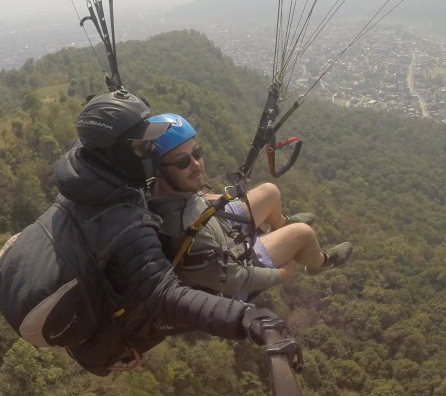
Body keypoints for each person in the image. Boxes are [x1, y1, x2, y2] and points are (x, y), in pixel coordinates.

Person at [52, 89, 293, 374]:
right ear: (119, 153)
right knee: (298, 237)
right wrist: (245, 318)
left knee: (271, 202)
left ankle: (282, 228)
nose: (150, 154)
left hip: (204, 240)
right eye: (143, 148)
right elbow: (166, 296)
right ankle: (304, 249)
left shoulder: (94, 176)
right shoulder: (128, 222)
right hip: (204, 284)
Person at [146, 113, 353, 300]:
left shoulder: (158, 188)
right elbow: (231, 278)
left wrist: (218, 199)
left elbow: (193, 200)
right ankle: (320, 261)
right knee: (303, 233)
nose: (197, 164)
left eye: (197, 153)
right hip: (231, 265)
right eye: (183, 162)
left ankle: (282, 226)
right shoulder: (184, 231)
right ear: (158, 170)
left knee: (269, 192)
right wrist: (278, 275)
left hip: (214, 224)